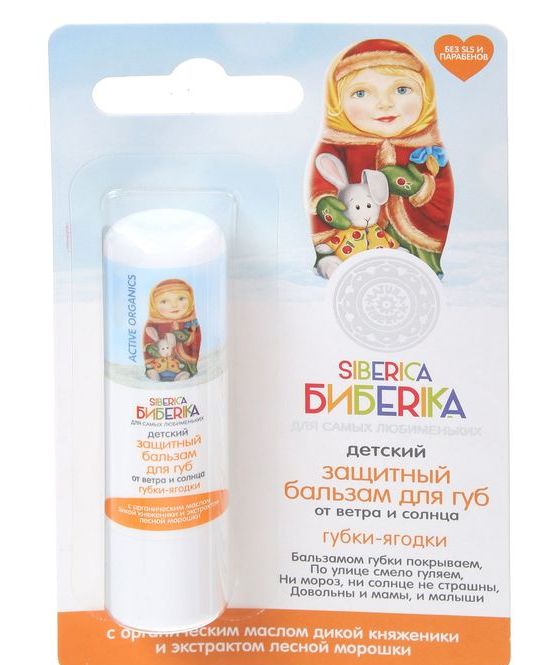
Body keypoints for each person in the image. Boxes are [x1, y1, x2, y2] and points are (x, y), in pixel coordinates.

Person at [309, 38, 454, 278]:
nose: (385, 104)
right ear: (336, 101)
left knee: (416, 261)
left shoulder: (427, 144)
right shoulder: (337, 141)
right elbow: (321, 172)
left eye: (401, 89)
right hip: (354, 229)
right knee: (340, 249)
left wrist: (419, 185)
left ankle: (419, 266)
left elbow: (444, 187)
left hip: (415, 231)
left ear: (426, 94)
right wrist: (325, 200)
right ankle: (333, 262)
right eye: (361, 93)